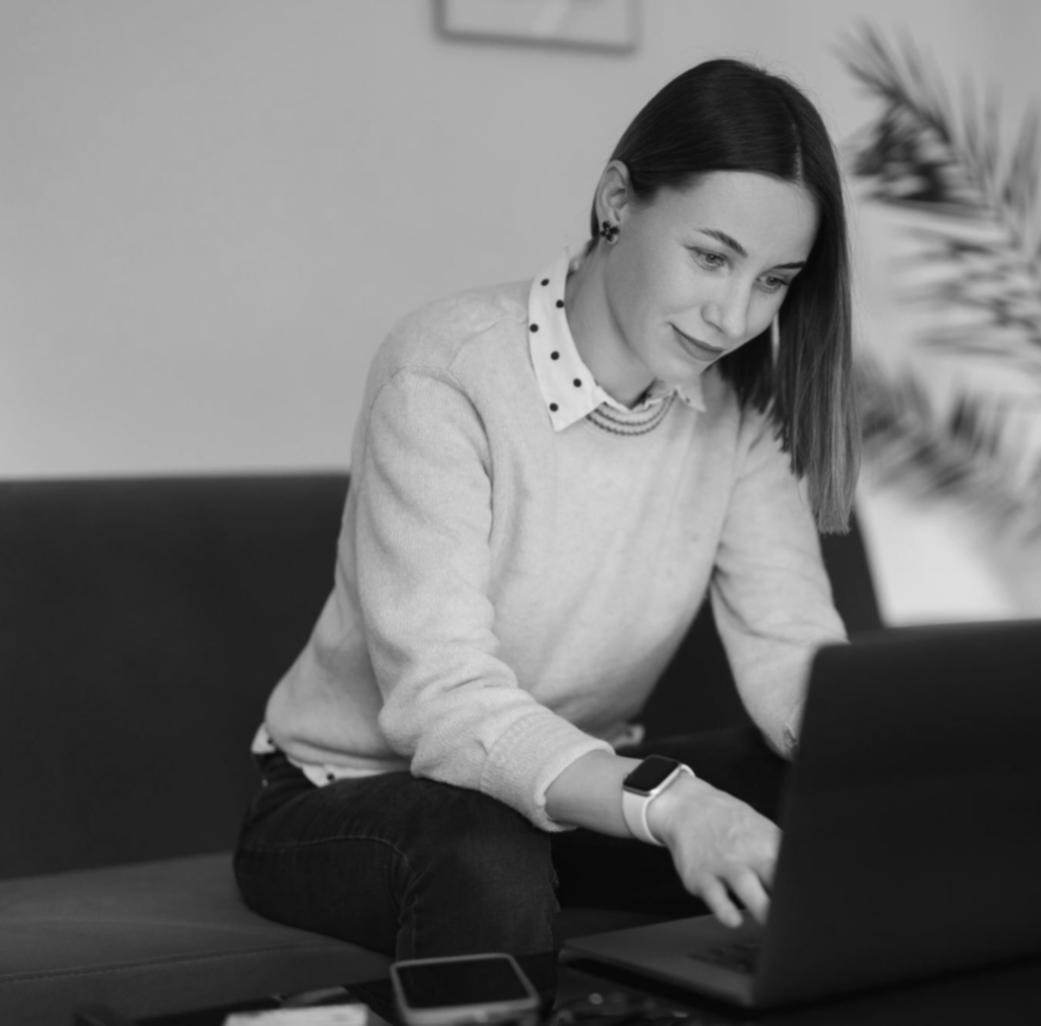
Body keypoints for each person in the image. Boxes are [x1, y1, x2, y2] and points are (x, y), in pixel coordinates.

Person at [233, 57, 859, 960]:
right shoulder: (445, 370)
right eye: (712, 256)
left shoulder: (736, 411)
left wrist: (876, 762)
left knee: (822, 795)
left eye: (772, 280)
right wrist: (672, 804)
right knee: (483, 850)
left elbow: (787, 644)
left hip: (572, 799)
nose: (734, 315)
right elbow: (445, 708)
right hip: (354, 794)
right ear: (616, 201)